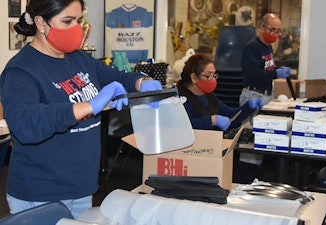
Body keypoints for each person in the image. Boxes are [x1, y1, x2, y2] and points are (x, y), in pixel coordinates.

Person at [0, 0, 161, 218]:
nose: (76, 28)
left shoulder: (78, 58)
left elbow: (118, 76)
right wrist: (88, 106)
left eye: (78, 20)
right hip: (41, 194)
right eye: (67, 21)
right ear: (41, 22)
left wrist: (141, 82)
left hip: (81, 188)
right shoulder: (21, 70)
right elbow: (26, 125)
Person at [176, 54, 264, 131]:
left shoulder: (209, 97)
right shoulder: (181, 100)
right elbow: (183, 126)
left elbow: (231, 116)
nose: (213, 79)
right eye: (208, 75)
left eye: (214, 75)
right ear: (194, 77)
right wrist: (212, 120)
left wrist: (248, 106)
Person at [240, 12, 292, 106]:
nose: (275, 34)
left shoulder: (268, 46)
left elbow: (266, 68)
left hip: (267, 95)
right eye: (272, 30)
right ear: (262, 27)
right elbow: (253, 73)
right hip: (254, 95)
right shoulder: (252, 47)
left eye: (278, 31)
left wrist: (278, 69)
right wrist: (276, 73)